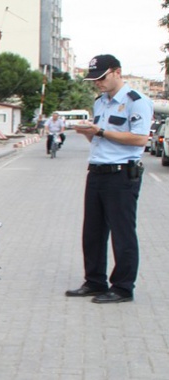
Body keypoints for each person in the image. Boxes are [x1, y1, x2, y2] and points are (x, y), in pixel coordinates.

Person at [66, 54, 152, 304]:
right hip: (97, 171)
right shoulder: (100, 102)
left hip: (122, 174)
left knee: (122, 233)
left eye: (101, 78)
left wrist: (101, 130)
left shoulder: (136, 101)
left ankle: (123, 287)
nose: (98, 83)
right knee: (92, 232)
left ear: (117, 72)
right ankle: (94, 281)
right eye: (94, 80)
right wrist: (88, 133)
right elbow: (99, 139)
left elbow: (140, 139)